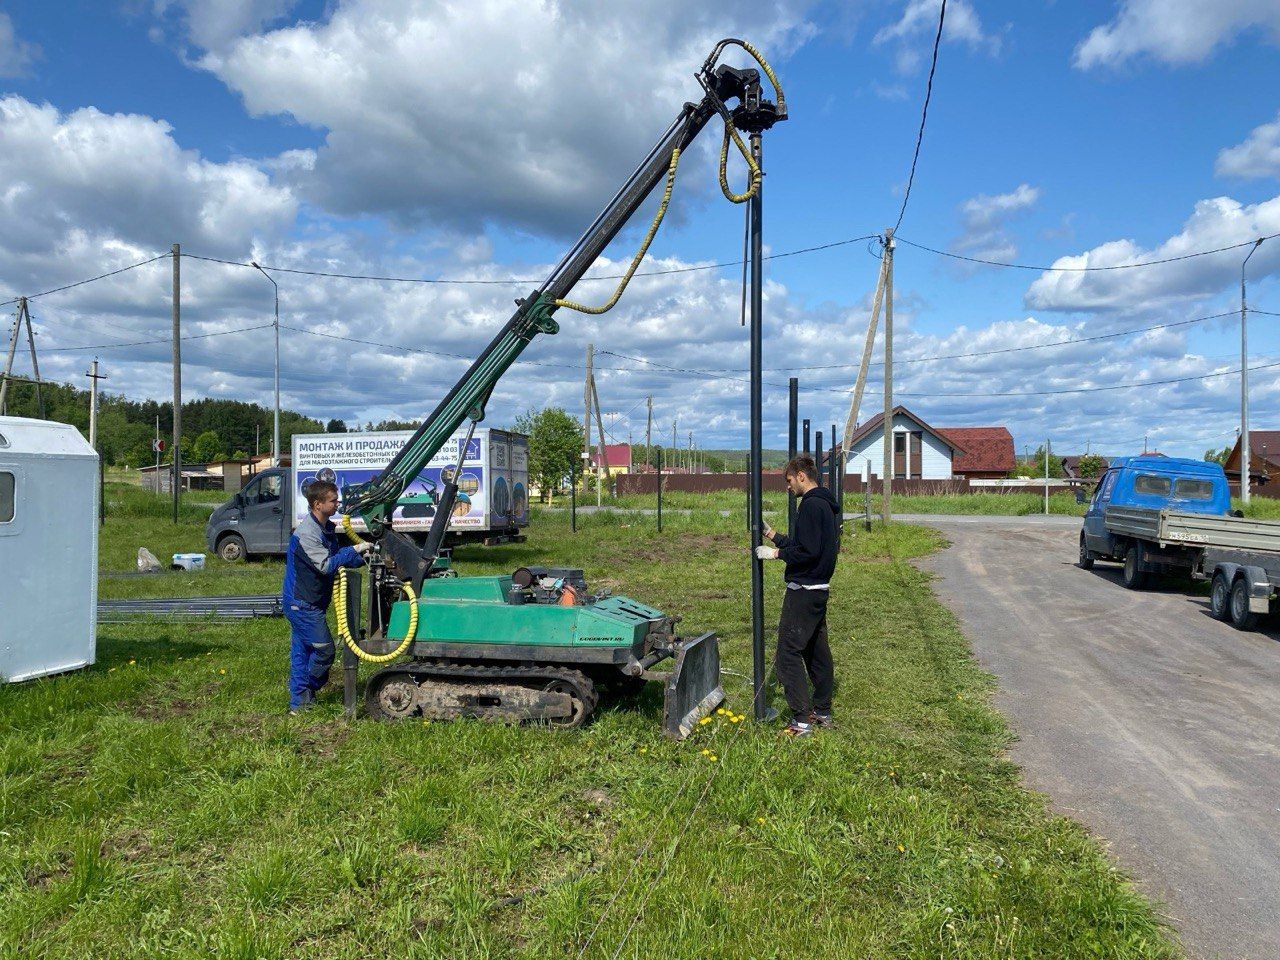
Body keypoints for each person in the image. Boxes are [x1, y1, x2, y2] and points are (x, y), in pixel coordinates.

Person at [754, 454, 840, 737]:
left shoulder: (812, 506)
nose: (788, 487)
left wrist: (776, 554)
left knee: (787, 655)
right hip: (817, 589)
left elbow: (807, 552)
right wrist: (774, 536)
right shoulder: (824, 503)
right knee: (816, 650)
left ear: (802, 475)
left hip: (803, 591)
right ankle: (822, 710)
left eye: (789, 481)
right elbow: (806, 544)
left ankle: (801, 722)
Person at [282, 479, 372, 713]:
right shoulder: (307, 534)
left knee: (302, 653)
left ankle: (298, 705)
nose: (337, 504)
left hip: (314, 602)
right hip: (302, 604)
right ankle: (309, 689)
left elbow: (338, 556)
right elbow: (325, 564)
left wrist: (365, 556)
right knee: (324, 650)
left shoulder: (326, 528)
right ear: (317, 504)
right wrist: (353, 550)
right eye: (333, 500)